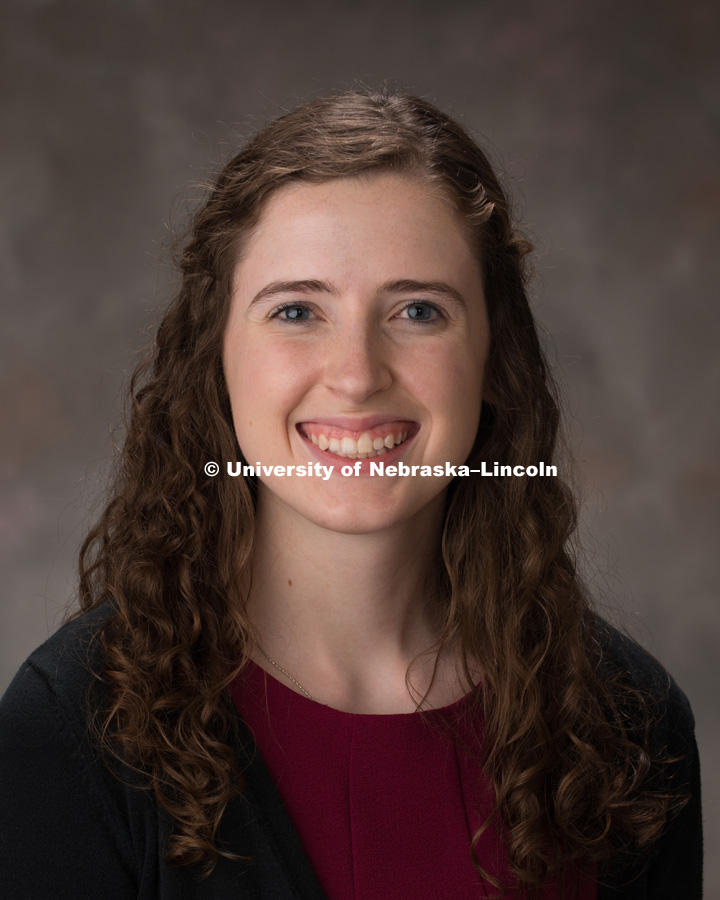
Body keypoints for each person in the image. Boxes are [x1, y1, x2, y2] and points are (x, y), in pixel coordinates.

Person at [0, 87, 702, 899]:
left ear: (493, 357)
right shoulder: (71, 733)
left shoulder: (629, 727)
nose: (359, 374)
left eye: (417, 310)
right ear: (216, 360)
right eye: (297, 310)